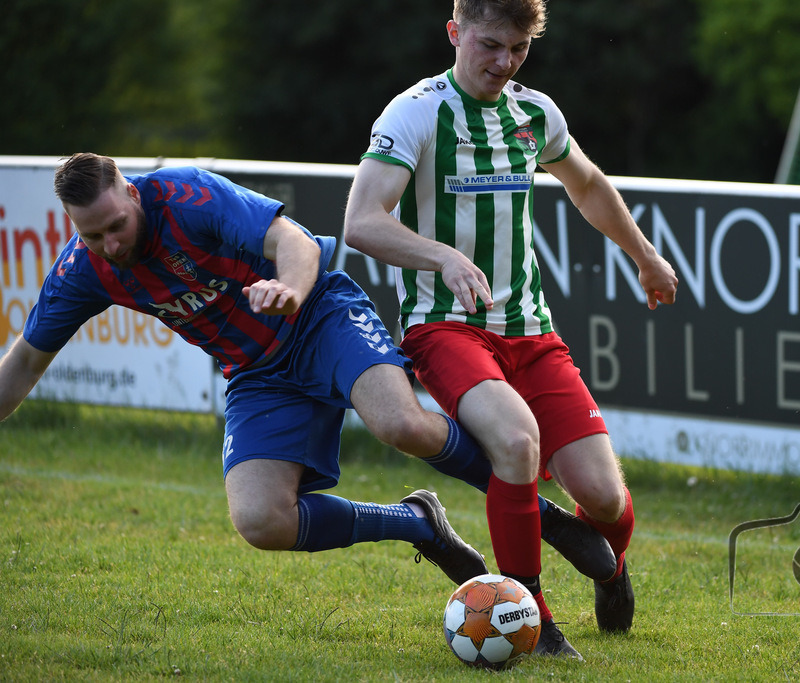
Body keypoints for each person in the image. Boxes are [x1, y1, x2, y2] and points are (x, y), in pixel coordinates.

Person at [343, 0, 679, 660]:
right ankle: (532, 617)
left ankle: (610, 569)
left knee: (606, 499)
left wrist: (645, 254)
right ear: (455, 33)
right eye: (490, 45)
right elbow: (360, 220)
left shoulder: (535, 112)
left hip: (531, 329)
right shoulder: (414, 112)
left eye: (518, 49)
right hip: (445, 326)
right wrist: (440, 254)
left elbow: (586, 185)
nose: (504, 62)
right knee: (518, 442)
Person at [0, 152, 498, 587]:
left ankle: (532, 507)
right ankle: (418, 524)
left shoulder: (188, 195)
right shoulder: (82, 271)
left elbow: (296, 243)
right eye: (92, 236)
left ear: (132, 193)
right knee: (262, 521)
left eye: (116, 226)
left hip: (317, 317)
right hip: (256, 372)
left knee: (401, 424)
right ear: (73, 227)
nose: (110, 244)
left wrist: (290, 291)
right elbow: (22, 363)